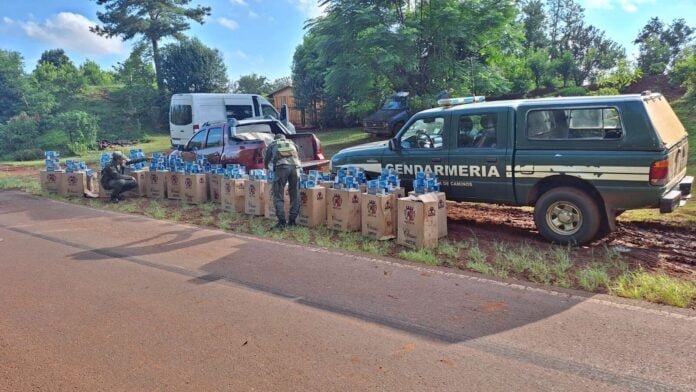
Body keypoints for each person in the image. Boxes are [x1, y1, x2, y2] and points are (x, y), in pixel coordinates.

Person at [263, 134, 301, 229]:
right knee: (295, 193)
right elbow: (297, 152)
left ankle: (282, 222)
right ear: (284, 138)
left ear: (276, 139)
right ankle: (292, 221)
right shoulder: (291, 142)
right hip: (295, 168)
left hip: (281, 167)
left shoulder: (273, 144)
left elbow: (267, 158)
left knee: (278, 194)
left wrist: (266, 167)